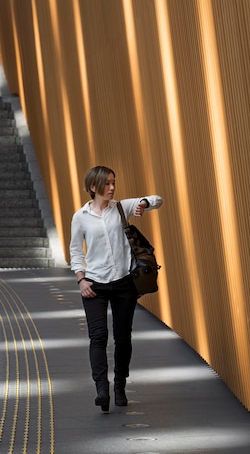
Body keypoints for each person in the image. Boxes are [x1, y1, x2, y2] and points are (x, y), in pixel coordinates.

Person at [69, 165, 163, 412]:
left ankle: (120, 383)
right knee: (97, 337)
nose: (112, 187)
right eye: (107, 184)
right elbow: (76, 252)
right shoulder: (80, 217)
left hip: (123, 283)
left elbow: (157, 200)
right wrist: (81, 280)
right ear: (93, 187)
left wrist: (143, 203)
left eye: (114, 182)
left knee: (122, 337)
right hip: (94, 284)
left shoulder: (121, 207)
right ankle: (102, 389)